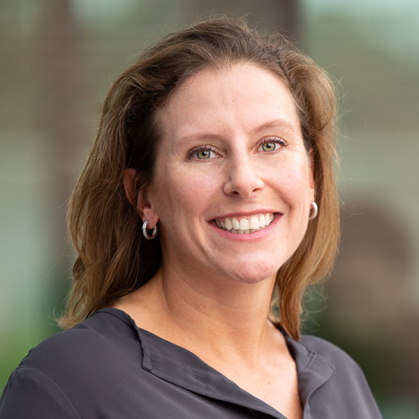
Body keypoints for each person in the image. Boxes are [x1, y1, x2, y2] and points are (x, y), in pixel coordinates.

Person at [0, 16, 382, 419]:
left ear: (312, 177)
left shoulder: (342, 381)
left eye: (271, 143)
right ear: (144, 196)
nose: (244, 180)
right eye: (203, 152)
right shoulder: (69, 384)